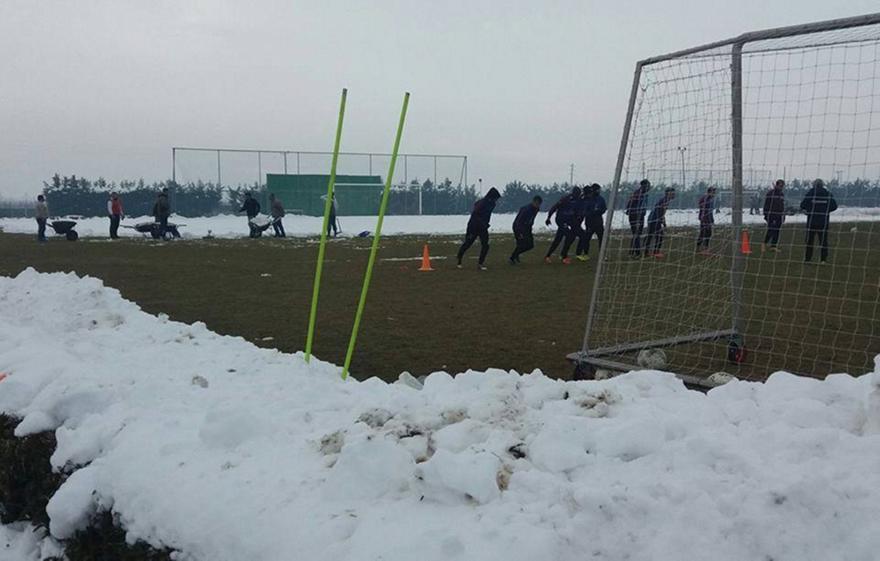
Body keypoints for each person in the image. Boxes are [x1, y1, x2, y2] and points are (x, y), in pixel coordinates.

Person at [457, 187, 501, 270]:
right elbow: (475, 214)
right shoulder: (481, 203)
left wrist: (485, 224)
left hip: (483, 227)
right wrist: (481, 223)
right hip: (473, 226)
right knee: (468, 243)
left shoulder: (492, 204)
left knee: (485, 245)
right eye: (496, 198)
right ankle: (459, 258)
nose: (496, 200)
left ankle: (480, 263)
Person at [800, 178, 838, 264]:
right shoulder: (827, 193)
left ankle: (808, 259)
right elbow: (834, 206)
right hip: (823, 221)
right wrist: (826, 210)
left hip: (812, 222)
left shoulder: (811, 193)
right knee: (823, 241)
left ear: (814, 185)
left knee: (810, 241)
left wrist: (808, 210)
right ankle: (823, 260)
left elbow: (802, 205)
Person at [543, 186, 582, 265]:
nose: (577, 196)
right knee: (569, 235)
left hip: (569, 220)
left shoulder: (578, 200)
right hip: (560, 220)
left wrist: (578, 218)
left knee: (561, 237)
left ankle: (549, 255)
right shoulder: (566, 199)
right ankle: (564, 256)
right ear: (573, 193)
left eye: (578, 194)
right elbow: (554, 207)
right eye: (576, 194)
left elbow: (577, 211)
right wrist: (548, 218)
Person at [577, 183, 607, 261]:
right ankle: (585, 254)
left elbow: (604, 208)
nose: (599, 191)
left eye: (599, 190)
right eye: (597, 190)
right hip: (589, 222)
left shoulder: (601, 199)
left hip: (599, 222)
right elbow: (583, 211)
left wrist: (599, 211)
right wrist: (591, 213)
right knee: (587, 239)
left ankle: (602, 255)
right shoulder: (587, 199)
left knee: (602, 239)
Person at [644, 187, 676, 258]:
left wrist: (663, 223)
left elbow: (661, 213)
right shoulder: (664, 200)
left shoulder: (665, 200)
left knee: (651, 235)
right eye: (672, 193)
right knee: (659, 236)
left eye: (674, 193)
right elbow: (659, 211)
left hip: (653, 218)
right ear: (668, 194)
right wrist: (661, 221)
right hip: (654, 219)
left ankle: (648, 251)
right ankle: (655, 252)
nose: (674, 195)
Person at [509, 196, 542, 264]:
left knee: (530, 245)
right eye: (536, 203)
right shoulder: (526, 209)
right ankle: (512, 258)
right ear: (533, 201)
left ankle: (515, 256)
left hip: (527, 227)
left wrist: (530, 225)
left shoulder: (536, 209)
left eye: (539, 204)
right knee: (522, 244)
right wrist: (519, 232)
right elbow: (518, 221)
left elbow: (532, 218)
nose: (537, 205)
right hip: (518, 227)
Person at [625, 179, 652, 258]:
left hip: (641, 216)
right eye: (648, 186)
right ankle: (637, 253)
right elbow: (631, 203)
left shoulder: (644, 194)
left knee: (637, 234)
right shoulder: (638, 194)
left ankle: (632, 252)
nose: (649, 187)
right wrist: (629, 211)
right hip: (635, 216)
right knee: (636, 234)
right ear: (644, 186)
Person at [762, 179, 786, 252]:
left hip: (779, 215)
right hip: (771, 215)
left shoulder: (781, 194)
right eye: (780, 186)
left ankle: (773, 246)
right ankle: (764, 244)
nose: (781, 187)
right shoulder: (770, 193)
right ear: (777, 185)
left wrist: (783, 214)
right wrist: (766, 214)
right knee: (771, 230)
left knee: (777, 231)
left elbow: (782, 205)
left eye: (783, 186)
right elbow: (766, 205)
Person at [696, 186, 717, 255]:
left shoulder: (710, 199)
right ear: (709, 192)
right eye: (713, 192)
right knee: (704, 233)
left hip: (708, 219)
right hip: (704, 219)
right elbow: (703, 210)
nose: (714, 193)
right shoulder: (705, 199)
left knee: (708, 234)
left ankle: (704, 248)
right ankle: (701, 248)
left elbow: (710, 211)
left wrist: (712, 220)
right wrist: (704, 219)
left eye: (714, 192)